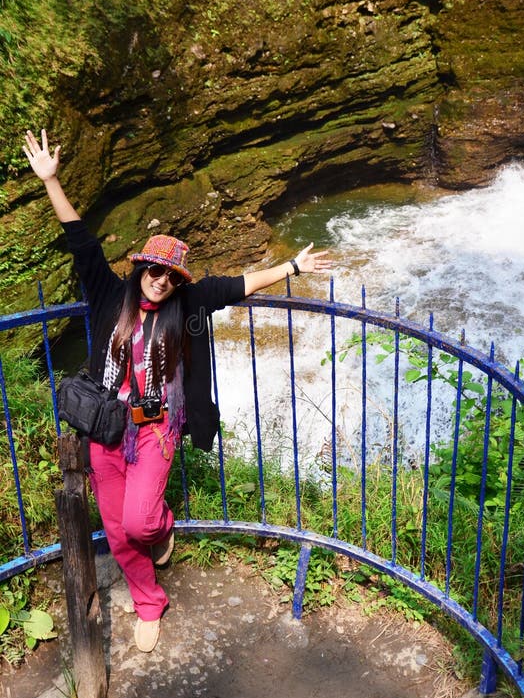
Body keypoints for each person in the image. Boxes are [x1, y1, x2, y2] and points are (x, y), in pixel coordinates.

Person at [23, 129, 332, 653]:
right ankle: (149, 602)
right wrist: (51, 181)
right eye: (153, 270)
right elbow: (81, 240)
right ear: (141, 267)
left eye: (170, 274)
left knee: (141, 522)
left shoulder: (187, 304)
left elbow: (238, 284)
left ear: (176, 278)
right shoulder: (108, 294)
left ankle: (162, 525)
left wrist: (293, 267)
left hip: (155, 428)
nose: (160, 281)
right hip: (105, 426)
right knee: (119, 533)